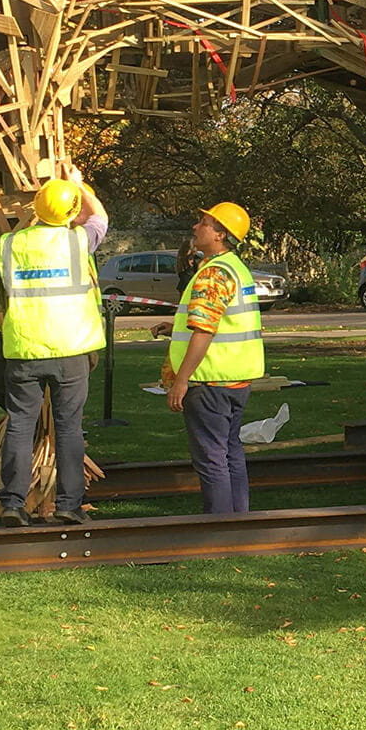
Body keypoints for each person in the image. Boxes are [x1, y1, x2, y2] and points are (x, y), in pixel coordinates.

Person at [0, 174, 108, 527]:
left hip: (25, 351)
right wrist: (80, 184)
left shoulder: (10, 245)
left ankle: (13, 503)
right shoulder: (78, 242)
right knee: (69, 428)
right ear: (71, 212)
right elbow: (100, 216)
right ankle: (69, 506)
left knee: (20, 427)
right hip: (71, 351)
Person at [150, 203, 264, 515]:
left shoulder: (213, 274)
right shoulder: (234, 267)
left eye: (204, 222)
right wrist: (174, 327)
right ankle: (237, 521)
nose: (195, 227)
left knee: (212, 457)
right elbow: (221, 321)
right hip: (236, 379)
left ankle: (218, 529)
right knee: (230, 452)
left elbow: (205, 331)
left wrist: (181, 381)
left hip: (209, 381)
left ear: (220, 234)